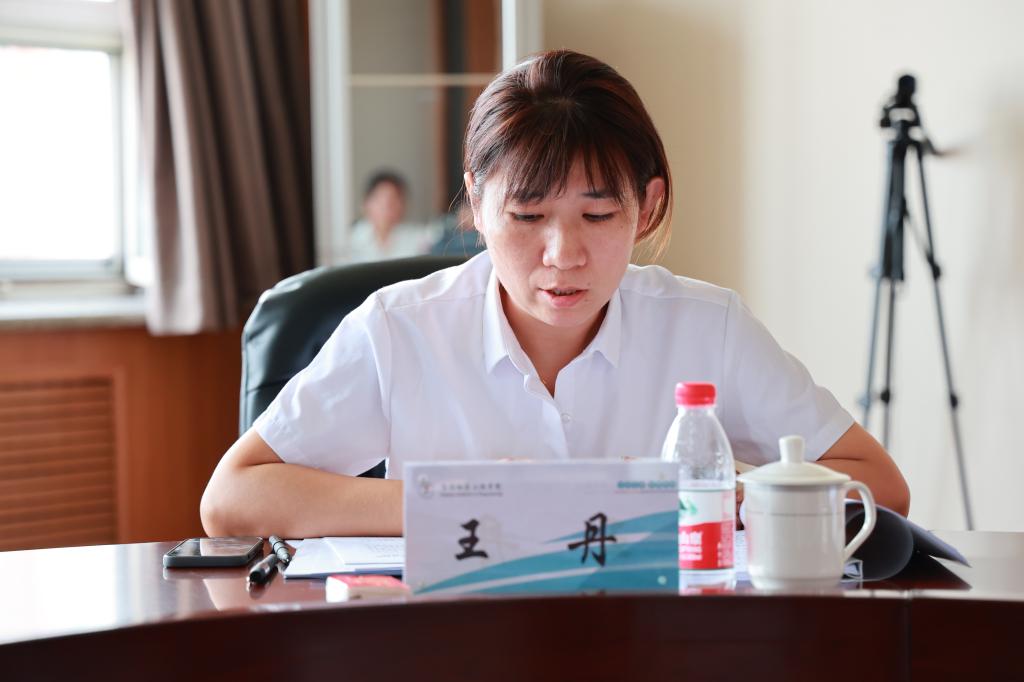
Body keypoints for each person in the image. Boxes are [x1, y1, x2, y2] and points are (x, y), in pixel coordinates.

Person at [201, 50, 910, 539]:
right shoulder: (401, 328)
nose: (563, 254)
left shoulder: (706, 326)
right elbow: (233, 497)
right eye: (527, 215)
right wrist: (470, 503)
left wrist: (703, 497)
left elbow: (877, 483)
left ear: (647, 206)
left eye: (598, 216)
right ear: (477, 204)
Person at [346, 171, 437, 263]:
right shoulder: (353, 239)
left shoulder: (419, 238)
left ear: (403, 205)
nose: (386, 206)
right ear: (365, 204)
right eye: (379, 199)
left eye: (393, 199)